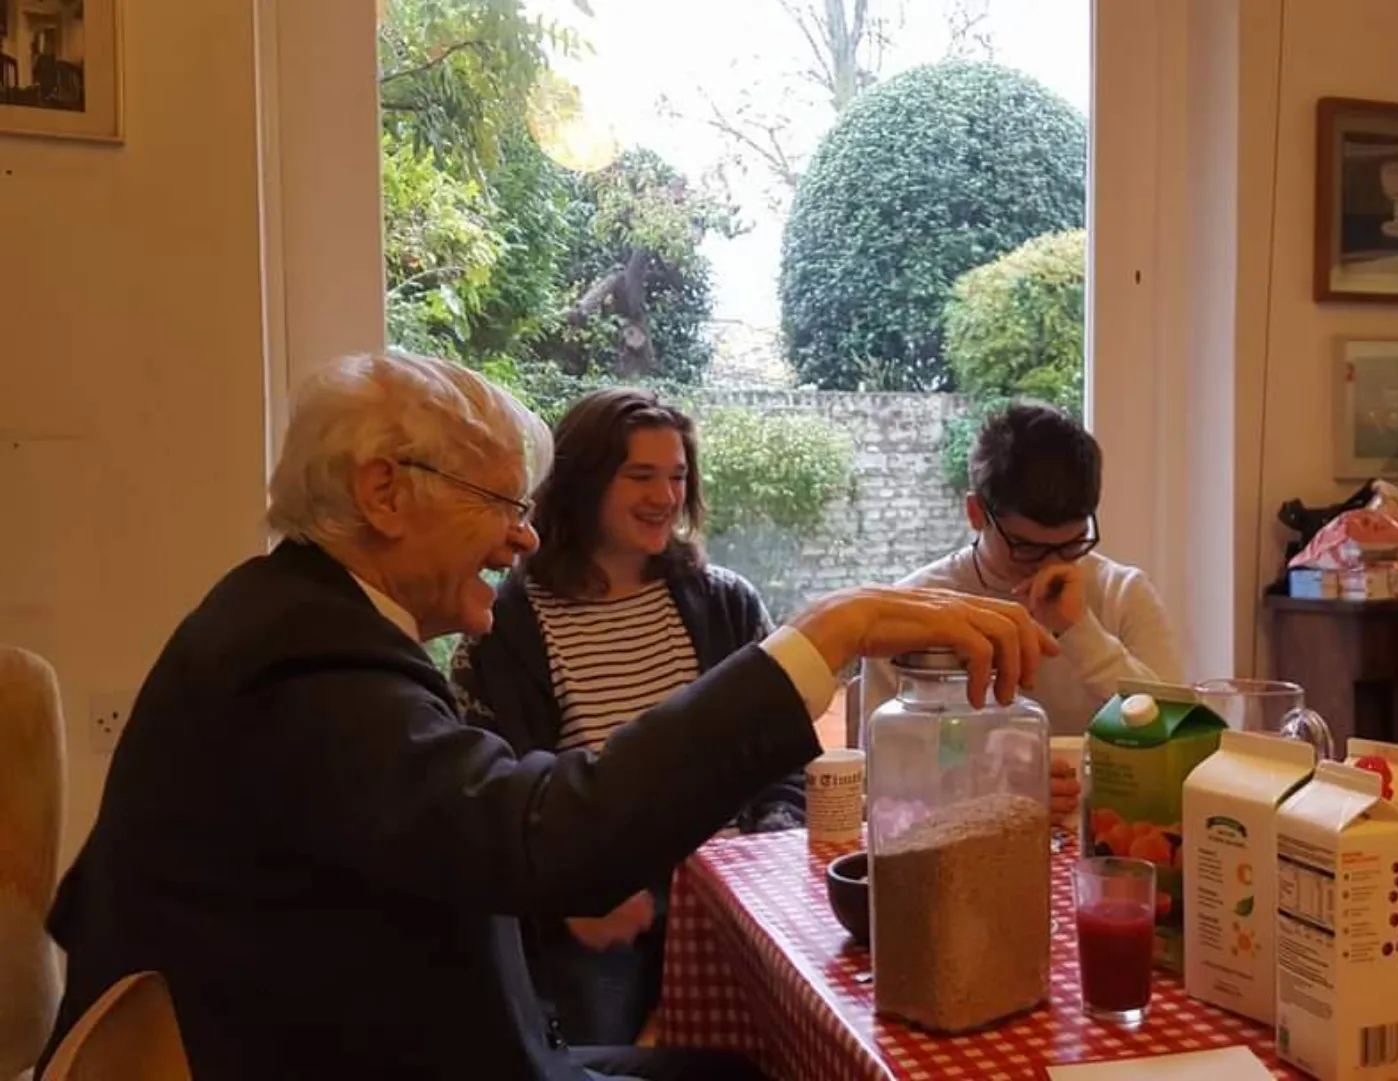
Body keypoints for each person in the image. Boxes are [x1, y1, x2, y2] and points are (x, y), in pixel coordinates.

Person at [37, 353, 1053, 1081]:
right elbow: (542, 835)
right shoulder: (302, 655)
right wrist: (826, 633)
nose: (522, 536)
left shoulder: (292, 617)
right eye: (498, 502)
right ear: (384, 492)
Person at [452, 388, 798, 1048]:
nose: (665, 495)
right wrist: (564, 893)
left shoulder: (727, 602)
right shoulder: (505, 628)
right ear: (582, 482)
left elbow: (787, 758)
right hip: (600, 908)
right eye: (640, 475)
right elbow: (492, 810)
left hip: (733, 900)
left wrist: (758, 855)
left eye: (677, 476)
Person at [861, 403, 1182, 816]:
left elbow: (1178, 738)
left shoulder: (1122, 594)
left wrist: (1080, 629)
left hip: (1103, 842)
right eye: (1026, 548)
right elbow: (881, 779)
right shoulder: (915, 609)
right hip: (957, 846)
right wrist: (985, 787)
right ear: (976, 513)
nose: (1051, 566)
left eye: (1072, 544)